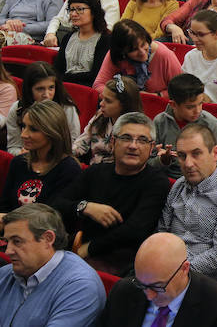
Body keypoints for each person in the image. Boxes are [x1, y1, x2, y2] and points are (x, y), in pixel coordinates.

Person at [52, 112, 169, 275]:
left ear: (151, 148)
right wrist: (85, 207)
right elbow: (57, 204)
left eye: (142, 140)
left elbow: (135, 231)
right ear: (113, 142)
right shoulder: (96, 172)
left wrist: (91, 248)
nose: (133, 146)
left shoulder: (157, 182)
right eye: (126, 138)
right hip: (79, 253)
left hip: (125, 265)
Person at [155, 123, 217, 282]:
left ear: (215, 153)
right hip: (165, 271)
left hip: (204, 283)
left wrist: (175, 273)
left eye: (196, 154)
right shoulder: (179, 186)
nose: (188, 163)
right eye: (182, 156)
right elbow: (161, 233)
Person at [98, 232, 217, 327]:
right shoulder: (123, 292)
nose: (149, 295)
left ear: (184, 269)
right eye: (142, 284)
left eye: (157, 286)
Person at [0, 204, 106, 325]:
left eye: (17, 241)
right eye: (7, 242)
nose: (8, 251)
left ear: (48, 239)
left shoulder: (81, 287)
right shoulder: (5, 274)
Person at [0, 101, 81, 213]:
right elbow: (4, 206)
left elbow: (53, 215)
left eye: (33, 129)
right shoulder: (18, 162)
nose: (23, 134)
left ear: (52, 132)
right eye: (24, 126)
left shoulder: (69, 169)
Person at [149, 73, 217, 178]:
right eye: (190, 107)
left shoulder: (210, 123)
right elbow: (148, 164)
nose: (198, 110)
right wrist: (162, 161)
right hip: (167, 179)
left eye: (200, 103)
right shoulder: (160, 122)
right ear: (173, 105)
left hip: (202, 180)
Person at [6, 62, 80, 156]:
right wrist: (23, 154)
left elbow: (73, 142)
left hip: (58, 160)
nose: (46, 95)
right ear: (29, 90)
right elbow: (13, 147)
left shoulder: (66, 107)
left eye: (51, 88)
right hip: (26, 160)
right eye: (40, 89)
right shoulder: (17, 109)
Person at [93, 19, 182, 97]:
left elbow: (181, 91)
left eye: (143, 44)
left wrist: (155, 96)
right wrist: (122, 95)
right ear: (123, 52)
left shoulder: (164, 55)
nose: (142, 52)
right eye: (134, 50)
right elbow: (98, 85)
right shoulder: (116, 55)